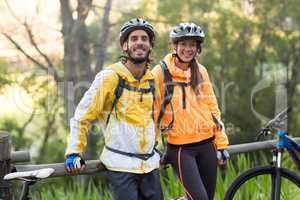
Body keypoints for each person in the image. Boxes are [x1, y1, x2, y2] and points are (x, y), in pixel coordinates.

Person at [64, 18, 163, 200]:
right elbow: (82, 116)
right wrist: (73, 152)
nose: (139, 42)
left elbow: (155, 119)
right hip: (121, 167)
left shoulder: (152, 80)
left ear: (150, 46)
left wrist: (156, 146)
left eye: (144, 38)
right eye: (133, 38)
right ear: (125, 46)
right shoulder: (110, 78)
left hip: (150, 166)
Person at [152, 22, 229, 200]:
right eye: (184, 44)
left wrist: (222, 143)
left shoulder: (201, 71)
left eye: (193, 44)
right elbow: (154, 112)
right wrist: (152, 146)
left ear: (198, 48)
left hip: (208, 144)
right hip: (180, 149)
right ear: (175, 45)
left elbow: (212, 107)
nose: (188, 49)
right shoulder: (160, 73)